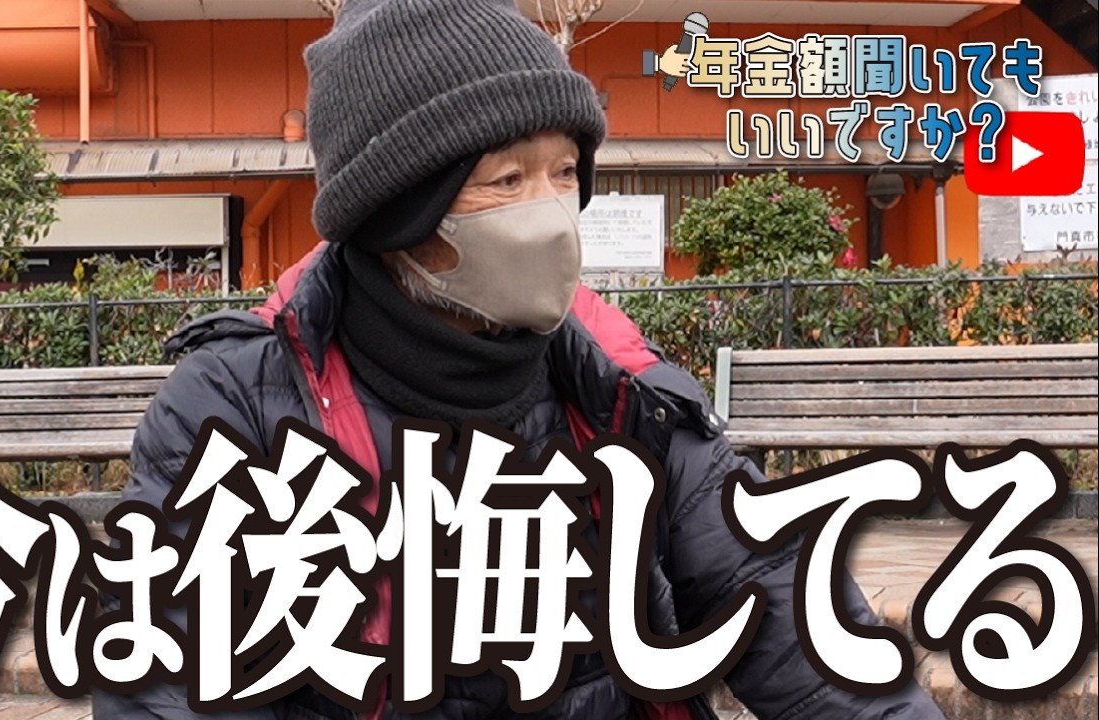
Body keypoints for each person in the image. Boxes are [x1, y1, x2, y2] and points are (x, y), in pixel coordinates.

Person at [93, 0, 947, 717]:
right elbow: (165, 677)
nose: (549, 214)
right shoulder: (237, 406)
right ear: (396, 212)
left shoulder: (623, 394)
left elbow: (795, 618)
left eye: (564, 172)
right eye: (506, 181)